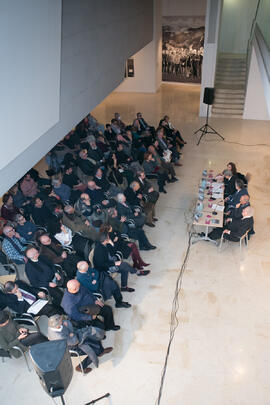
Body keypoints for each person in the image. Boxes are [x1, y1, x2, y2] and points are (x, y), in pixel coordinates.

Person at [48, 314, 112, 374]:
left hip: (72, 338)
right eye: (61, 321)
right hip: (70, 348)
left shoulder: (54, 325)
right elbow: (75, 341)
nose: (63, 321)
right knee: (92, 349)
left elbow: (67, 322)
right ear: (57, 326)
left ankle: (101, 351)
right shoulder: (59, 337)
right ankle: (81, 367)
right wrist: (72, 333)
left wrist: (71, 333)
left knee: (91, 336)